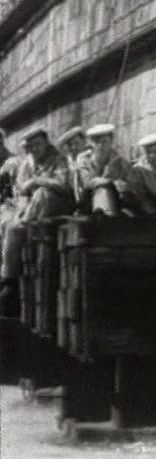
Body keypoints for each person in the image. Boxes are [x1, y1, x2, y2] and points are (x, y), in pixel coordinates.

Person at [0, 127, 74, 315]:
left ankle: (9, 283)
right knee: (7, 223)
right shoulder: (27, 164)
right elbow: (22, 192)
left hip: (57, 206)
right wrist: (20, 211)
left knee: (41, 195)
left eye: (37, 145)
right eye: (30, 146)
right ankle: (8, 278)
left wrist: (38, 181)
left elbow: (63, 185)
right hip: (33, 209)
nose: (34, 149)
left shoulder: (59, 159)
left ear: (46, 142)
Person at [75, 123, 134, 215]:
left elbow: (129, 187)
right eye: (96, 142)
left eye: (104, 141)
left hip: (115, 203)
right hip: (88, 202)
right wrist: (110, 181)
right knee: (103, 188)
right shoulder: (84, 159)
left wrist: (118, 185)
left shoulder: (121, 162)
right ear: (91, 144)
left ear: (111, 141)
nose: (100, 146)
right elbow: (88, 182)